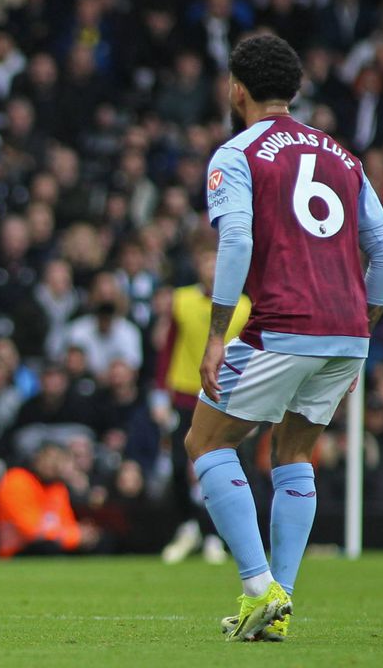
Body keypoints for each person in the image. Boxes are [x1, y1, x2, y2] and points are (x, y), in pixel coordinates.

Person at [188, 34, 383, 641]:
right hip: (346, 331)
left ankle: (260, 588)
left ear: (237, 87)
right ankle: (277, 607)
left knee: (205, 443)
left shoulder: (237, 154)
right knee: (294, 453)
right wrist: (365, 328)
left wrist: (214, 335)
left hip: (283, 323)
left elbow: (235, 243)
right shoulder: (343, 157)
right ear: (296, 91)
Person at [154, 239, 251, 565]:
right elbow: (168, 347)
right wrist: (159, 392)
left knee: (221, 464)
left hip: (223, 394)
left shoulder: (244, 305)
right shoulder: (181, 301)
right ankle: (190, 525)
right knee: (180, 465)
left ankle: (214, 533)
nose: (210, 268)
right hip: (184, 391)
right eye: (205, 262)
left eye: (216, 262)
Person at [0, 441, 99, 558]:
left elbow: (66, 522)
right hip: (17, 550)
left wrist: (81, 534)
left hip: (52, 542)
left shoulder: (57, 488)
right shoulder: (17, 480)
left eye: (58, 459)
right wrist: (76, 536)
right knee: (48, 546)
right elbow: (31, 530)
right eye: (49, 458)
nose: (52, 464)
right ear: (37, 458)